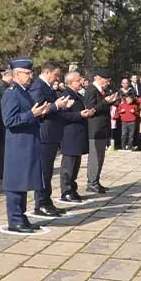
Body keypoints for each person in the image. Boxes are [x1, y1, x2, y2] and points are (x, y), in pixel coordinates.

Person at [1, 58, 51, 234]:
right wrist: (32, 114)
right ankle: (14, 219)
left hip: (27, 143)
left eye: (31, 73)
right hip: (18, 145)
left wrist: (40, 113)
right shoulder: (12, 93)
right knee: (15, 183)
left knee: (23, 182)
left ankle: (21, 216)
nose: (31, 76)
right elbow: (9, 120)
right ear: (16, 75)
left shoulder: (24, 91)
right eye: (27, 73)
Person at [29, 62, 67, 213]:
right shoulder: (38, 86)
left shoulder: (46, 86)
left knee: (48, 170)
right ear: (47, 72)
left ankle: (47, 201)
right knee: (43, 170)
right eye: (55, 75)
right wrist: (57, 105)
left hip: (51, 133)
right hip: (44, 133)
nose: (56, 79)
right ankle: (41, 203)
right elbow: (39, 109)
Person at [57, 71, 94, 203]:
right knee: (68, 165)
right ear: (71, 82)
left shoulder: (76, 94)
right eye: (78, 80)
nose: (81, 81)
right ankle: (66, 191)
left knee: (75, 164)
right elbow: (62, 115)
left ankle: (72, 189)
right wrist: (80, 115)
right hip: (69, 134)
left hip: (77, 134)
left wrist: (86, 113)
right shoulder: (66, 95)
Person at [85, 70, 118, 185]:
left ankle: (96, 181)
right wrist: (105, 101)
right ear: (98, 78)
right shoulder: (91, 89)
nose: (108, 83)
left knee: (100, 157)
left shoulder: (102, 90)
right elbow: (90, 108)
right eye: (106, 80)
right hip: (95, 128)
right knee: (95, 158)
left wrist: (111, 101)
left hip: (103, 128)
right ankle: (92, 182)